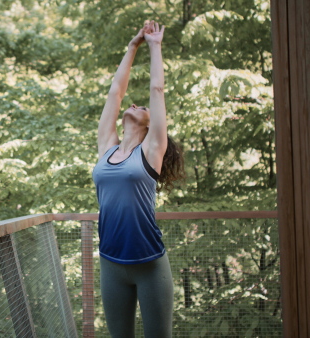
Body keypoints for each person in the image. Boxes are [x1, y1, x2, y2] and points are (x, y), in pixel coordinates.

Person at [92, 20, 185, 337]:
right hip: (110, 262)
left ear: (150, 125)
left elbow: (157, 90)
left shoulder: (151, 151)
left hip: (150, 264)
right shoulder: (107, 147)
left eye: (141, 106)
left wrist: (155, 45)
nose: (133, 104)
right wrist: (132, 46)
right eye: (132, 104)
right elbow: (115, 93)